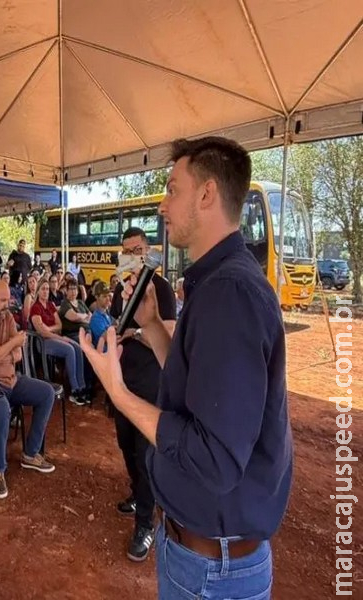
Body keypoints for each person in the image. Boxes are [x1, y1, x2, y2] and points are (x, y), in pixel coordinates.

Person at [80, 136, 292, 598]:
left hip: (212, 571)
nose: (162, 204)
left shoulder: (228, 294)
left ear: (207, 194)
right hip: (206, 558)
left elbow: (212, 457)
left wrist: (118, 393)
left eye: (173, 189)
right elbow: (197, 386)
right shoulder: (219, 282)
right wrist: (154, 327)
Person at [108, 227, 179, 562]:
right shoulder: (124, 289)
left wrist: (135, 332)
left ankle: (145, 524)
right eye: (126, 251)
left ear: (147, 250)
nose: (131, 256)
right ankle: (139, 495)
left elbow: (168, 334)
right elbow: (117, 324)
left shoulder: (161, 288)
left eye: (136, 249)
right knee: (125, 444)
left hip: (152, 381)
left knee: (145, 452)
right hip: (124, 378)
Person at [0, 281, 55, 500]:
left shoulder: (6, 317)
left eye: (9, 299)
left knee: (47, 393)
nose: (8, 304)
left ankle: (31, 453)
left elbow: (17, 355)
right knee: (1, 409)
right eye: (3, 300)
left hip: (11, 379)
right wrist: (12, 343)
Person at [30, 279, 88, 406]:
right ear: (38, 291)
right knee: (69, 349)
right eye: (43, 289)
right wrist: (59, 337)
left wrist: (49, 328)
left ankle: (82, 386)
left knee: (77, 347)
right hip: (43, 342)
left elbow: (59, 325)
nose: (45, 291)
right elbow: (42, 332)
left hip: (54, 337)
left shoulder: (50, 305)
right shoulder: (35, 308)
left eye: (47, 289)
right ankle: (74, 390)